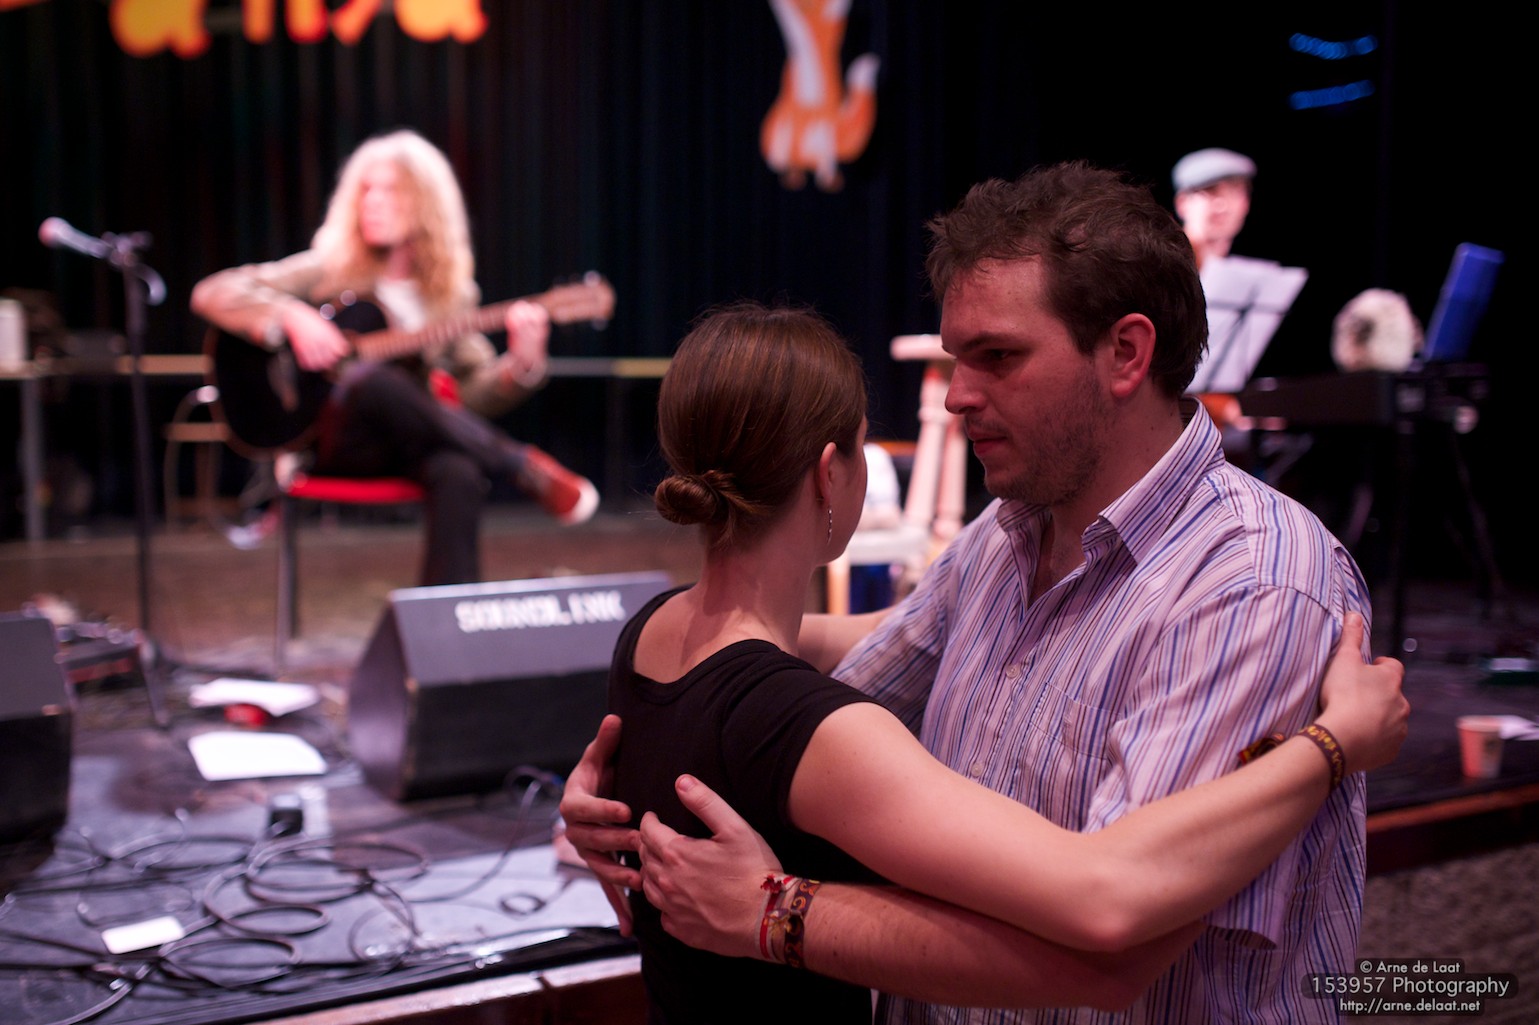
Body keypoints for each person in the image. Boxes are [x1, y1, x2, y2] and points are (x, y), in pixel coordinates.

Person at [565, 163, 1403, 1023]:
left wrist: (775, 909)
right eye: (956, 359)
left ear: (1125, 352)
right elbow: (884, 644)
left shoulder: (1249, 586)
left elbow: (1111, 940)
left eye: (997, 357)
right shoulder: (1009, 528)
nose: (957, 397)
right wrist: (647, 775)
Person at [191, 128, 598, 586]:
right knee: (371, 380)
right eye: (367, 190)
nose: (373, 202)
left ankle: (443, 619)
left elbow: (468, 398)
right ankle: (519, 465)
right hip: (328, 443)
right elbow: (213, 291)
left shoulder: (451, 296)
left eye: (391, 191)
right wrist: (290, 316)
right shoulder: (328, 269)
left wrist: (521, 364)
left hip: (402, 442)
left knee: (459, 470)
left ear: (426, 204)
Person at [1171, 147, 1256, 270]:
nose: (1222, 205)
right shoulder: (1155, 266)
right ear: (1182, 203)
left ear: (1246, 203)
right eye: (1211, 191)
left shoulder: (1246, 274)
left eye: (1233, 193)